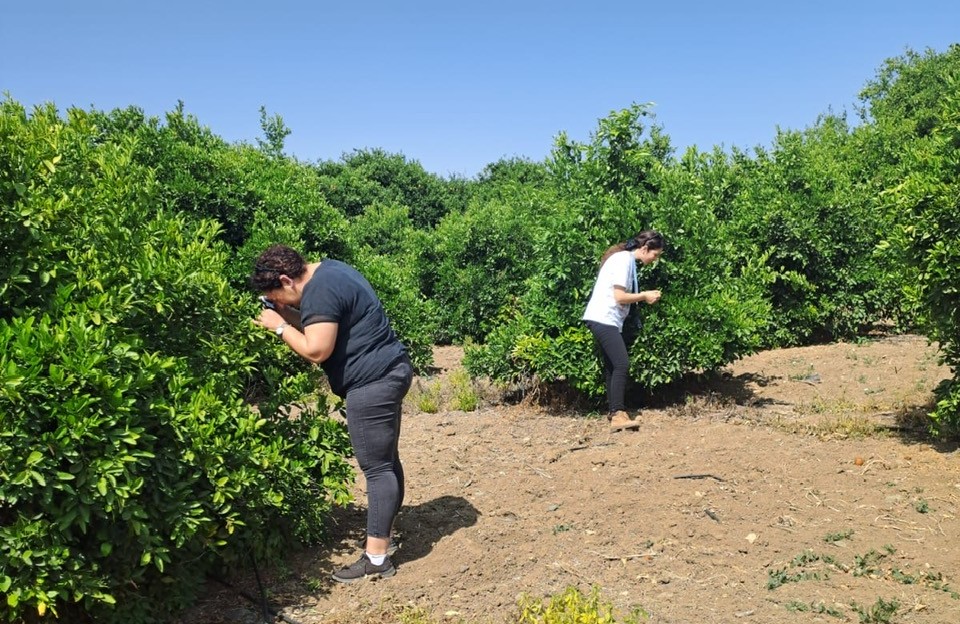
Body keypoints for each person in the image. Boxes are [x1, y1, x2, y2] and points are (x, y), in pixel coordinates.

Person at [250, 244, 412, 583]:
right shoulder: (328, 271)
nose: (282, 302)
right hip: (390, 370)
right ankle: (383, 537)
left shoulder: (320, 290)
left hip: (372, 383)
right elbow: (318, 321)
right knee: (386, 462)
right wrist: (284, 314)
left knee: (378, 468)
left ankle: (377, 559)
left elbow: (317, 349)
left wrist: (278, 327)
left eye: (279, 294)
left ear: (286, 279)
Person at [582, 230, 664, 432]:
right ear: (645, 248)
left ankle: (615, 413)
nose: (655, 259)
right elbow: (619, 297)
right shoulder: (623, 261)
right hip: (604, 318)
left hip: (604, 318)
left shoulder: (625, 260)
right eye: (655, 255)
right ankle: (618, 414)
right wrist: (644, 296)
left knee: (612, 366)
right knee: (621, 363)